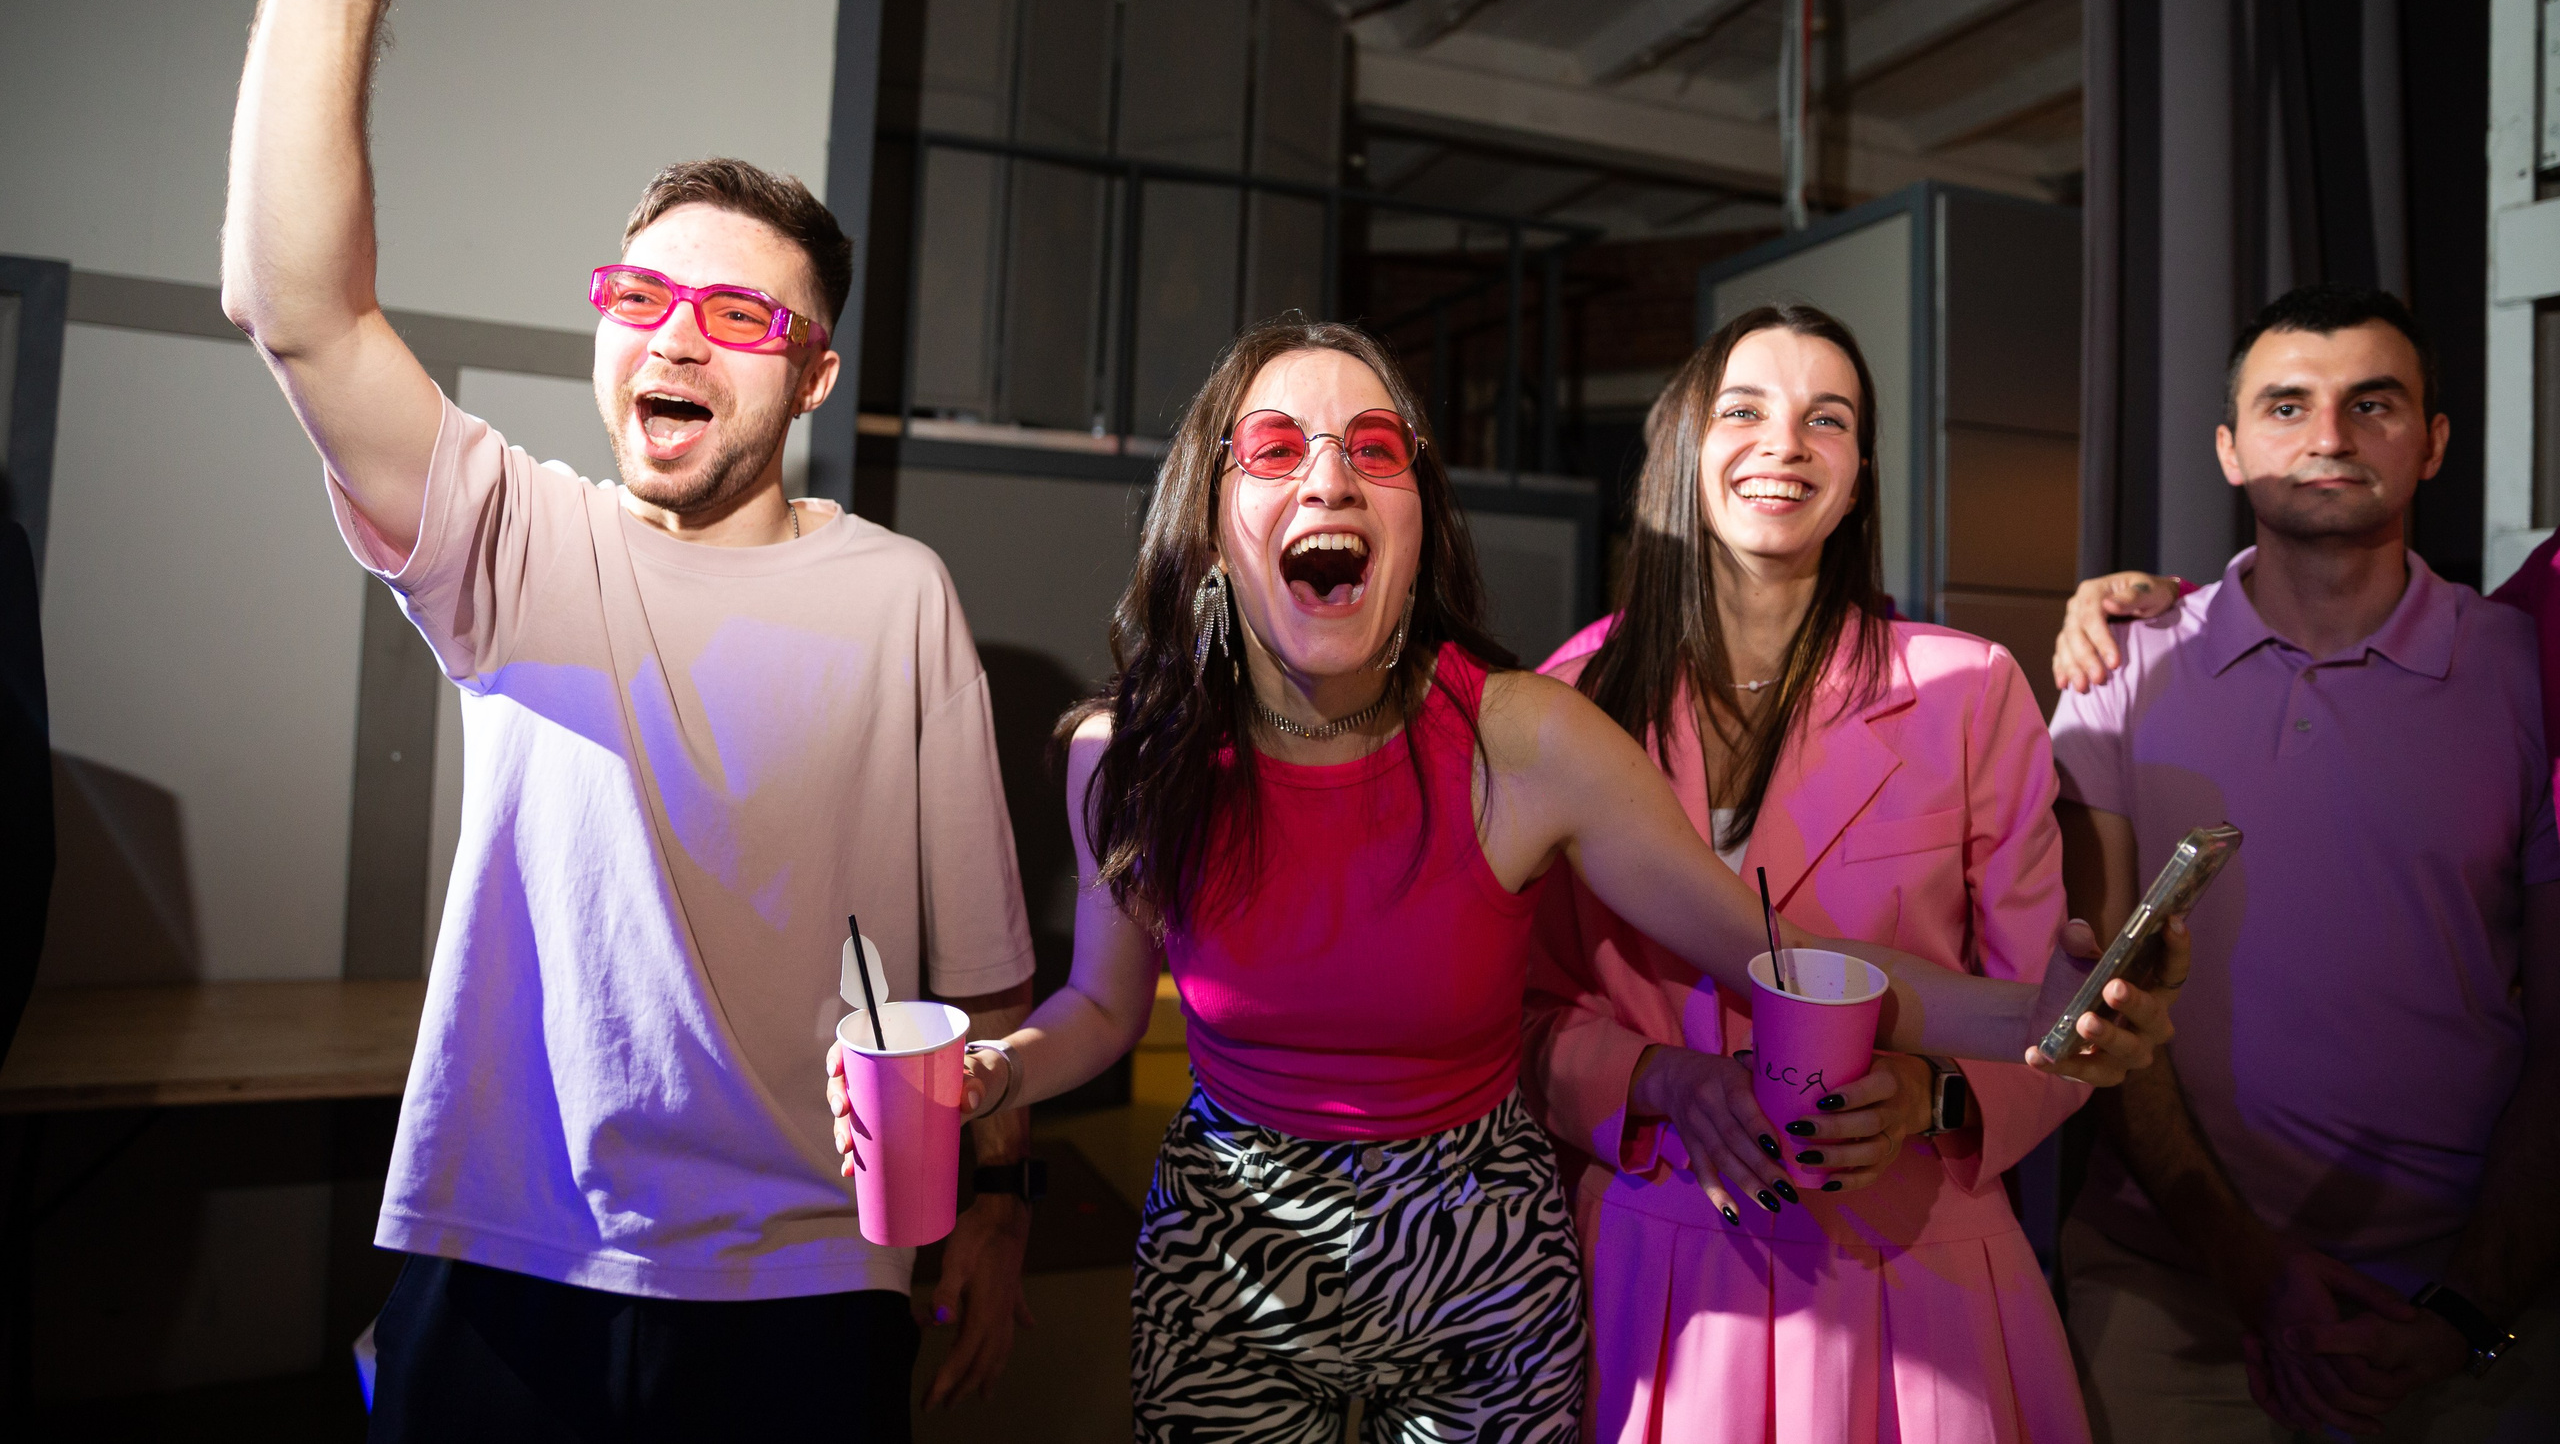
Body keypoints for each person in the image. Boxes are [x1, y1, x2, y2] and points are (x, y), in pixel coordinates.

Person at [829, 316, 2177, 1440]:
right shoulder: (1122, 756)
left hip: (1481, 1238)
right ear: (1212, 509)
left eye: (1374, 450)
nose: (1331, 481)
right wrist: (998, 1068)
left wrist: (2046, 1012)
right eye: (1275, 448)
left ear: (1419, 516)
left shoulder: (1526, 735)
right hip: (1230, 1238)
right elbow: (1104, 1013)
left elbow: (1778, 954)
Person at [223, 0, 1035, 1435]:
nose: (675, 333)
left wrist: (998, 1204)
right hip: (517, 1253)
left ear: (813, 378)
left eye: (742, 317)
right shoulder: (523, 543)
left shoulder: (901, 596)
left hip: (819, 1275)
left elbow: (982, 977)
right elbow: (297, 308)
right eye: (645, 294)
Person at [1522, 303, 2098, 1443]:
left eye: (1824, 420)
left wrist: (1929, 1094)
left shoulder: (1969, 689)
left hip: (1917, 1256)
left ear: (1858, 477)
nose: (1785, 444)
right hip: (1658, 1260)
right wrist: (1665, 1082)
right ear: (1683, 450)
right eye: (1745, 410)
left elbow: (2047, 1015)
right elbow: (1516, 1011)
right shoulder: (1569, 697)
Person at [2041, 285, 2560, 1439]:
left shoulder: (2528, 672)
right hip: (2165, 1290)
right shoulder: (2117, 669)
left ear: (2431, 442)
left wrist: (2469, 1305)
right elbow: (2087, 1005)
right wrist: (2248, 1271)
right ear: (2229, 448)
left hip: (2464, 1303)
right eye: (2286, 406)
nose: (2327, 436)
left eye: (2370, 403)